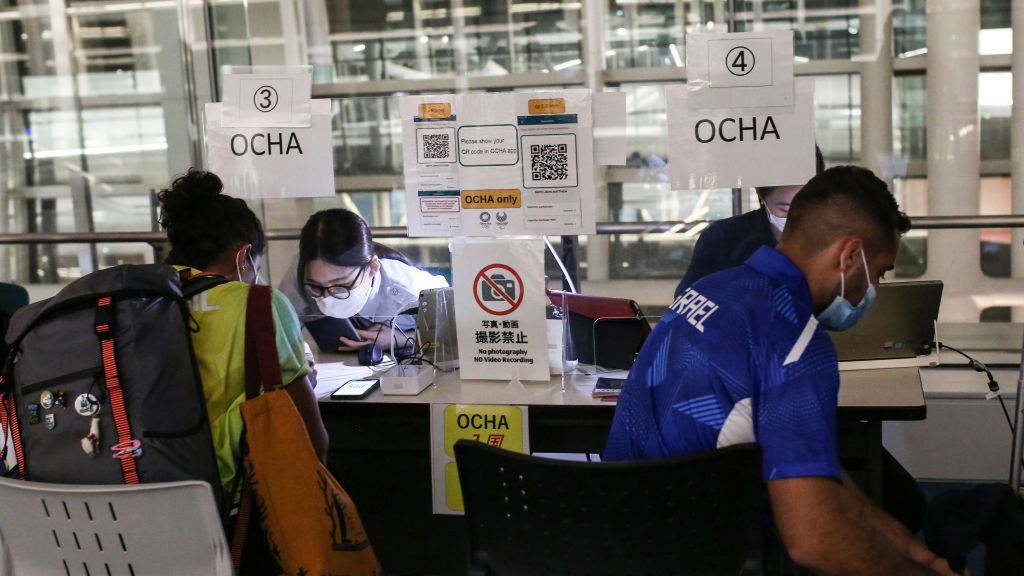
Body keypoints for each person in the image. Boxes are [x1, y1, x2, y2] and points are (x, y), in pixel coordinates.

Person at [604, 167, 960, 576]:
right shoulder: (794, 339)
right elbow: (814, 541)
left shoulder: (710, 290)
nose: (874, 290)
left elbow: (814, 465)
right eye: (879, 272)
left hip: (621, 537)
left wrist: (914, 553)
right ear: (850, 255)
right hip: (705, 553)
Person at [158, 169, 328, 496]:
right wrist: (304, 382)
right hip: (228, 497)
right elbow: (311, 442)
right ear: (243, 256)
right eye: (256, 267)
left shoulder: (139, 299)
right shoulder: (258, 302)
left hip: (140, 487)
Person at [279, 209, 448, 353]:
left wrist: (398, 339)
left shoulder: (412, 289)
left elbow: (452, 334)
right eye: (316, 287)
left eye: (342, 285)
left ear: (372, 267)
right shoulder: (303, 273)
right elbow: (279, 329)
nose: (327, 298)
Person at [674, 145, 826, 298]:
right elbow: (686, 301)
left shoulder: (832, 235)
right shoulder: (724, 238)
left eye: (809, 206)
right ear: (759, 193)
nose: (798, 216)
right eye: (785, 209)